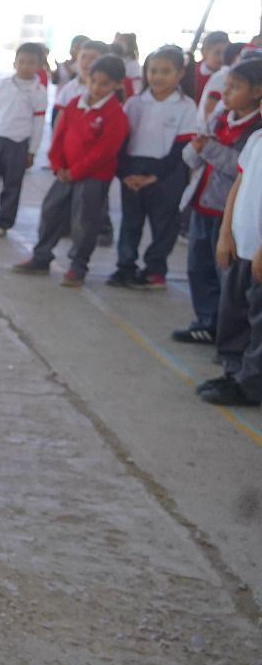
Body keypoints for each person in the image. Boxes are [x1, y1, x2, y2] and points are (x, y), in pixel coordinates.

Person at [12, 55, 130, 286]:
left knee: (84, 221)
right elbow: (59, 135)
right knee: (51, 211)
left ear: (117, 84)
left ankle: (78, 265)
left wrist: (75, 171)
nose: (96, 87)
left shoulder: (116, 115)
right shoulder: (76, 103)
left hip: (93, 177)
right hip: (65, 173)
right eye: (93, 81)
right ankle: (41, 256)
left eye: (104, 83)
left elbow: (104, 152)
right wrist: (57, 165)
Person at [176, 60, 262, 345]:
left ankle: (227, 331)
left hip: (228, 212)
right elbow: (193, 157)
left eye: (235, 88)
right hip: (202, 203)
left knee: (224, 274)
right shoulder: (220, 118)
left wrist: (209, 147)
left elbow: (236, 166)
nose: (225, 94)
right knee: (198, 268)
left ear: (257, 91)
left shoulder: (253, 129)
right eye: (226, 86)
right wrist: (197, 149)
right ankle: (207, 321)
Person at [109, 47, 200, 289]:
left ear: (180, 74)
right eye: (153, 70)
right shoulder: (135, 103)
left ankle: (155, 268)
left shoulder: (186, 106)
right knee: (130, 223)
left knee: (164, 224)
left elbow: (181, 148)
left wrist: (154, 176)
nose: (158, 76)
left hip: (167, 172)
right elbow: (121, 141)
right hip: (133, 167)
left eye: (166, 71)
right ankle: (125, 267)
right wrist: (125, 173)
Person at [201, 96, 262, 407]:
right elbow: (239, 183)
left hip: (259, 252)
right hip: (242, 244)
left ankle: (251, 385)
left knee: (258, 321)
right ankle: (233, 371)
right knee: (234, 311)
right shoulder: (256, 139)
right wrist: (226, 235)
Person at [0, 42, 49, 238]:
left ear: (39, 66)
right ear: (14, 63)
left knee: (12, 185)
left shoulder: (39, 93)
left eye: (31, 62)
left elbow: (38, 124)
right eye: (21, 61)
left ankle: (3, 221)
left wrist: (32, 151)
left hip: (18, 143)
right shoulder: (1, 85)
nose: (25, 66)